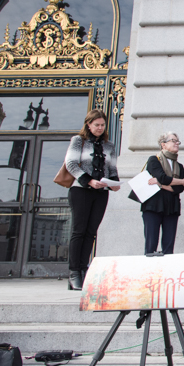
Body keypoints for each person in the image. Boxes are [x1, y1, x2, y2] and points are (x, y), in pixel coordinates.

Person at [64, 109, 120, 291]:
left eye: (102, 125)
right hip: (81, 190)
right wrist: (88, 180)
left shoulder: (109, 145)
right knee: (78, 231)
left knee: (91, 232)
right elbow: (71, 164)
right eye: (96, 125)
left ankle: (84, 269)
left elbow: (112, 169)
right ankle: (74, 272)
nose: (100, 128)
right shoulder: (78, 141)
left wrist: (114, 183)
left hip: (101, 192)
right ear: (88, 124)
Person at [141, 132, 184, 255]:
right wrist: (181, 181)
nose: (177, 143)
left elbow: (179, 189)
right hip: (153, 206)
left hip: (172, 207)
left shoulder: (179, 166)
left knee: (169, 246)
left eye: (178, 141)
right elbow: (162, 177)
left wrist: (160, 184)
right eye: (173, 140)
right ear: (163, 145)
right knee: (151, 244)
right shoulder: (154, 160)